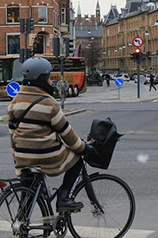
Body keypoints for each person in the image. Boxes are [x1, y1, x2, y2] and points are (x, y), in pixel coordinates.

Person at [7, 57, 95, 213]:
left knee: (26, 194)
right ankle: (64, 197)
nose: (50, 80)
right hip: (46, 156)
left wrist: (17, 160)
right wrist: (83, 148)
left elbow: (12, 134)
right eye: (48, 76)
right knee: (77, 161)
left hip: (22, 156)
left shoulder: (15, 102)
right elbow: (67, 134)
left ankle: (23, 226)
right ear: (41, 78)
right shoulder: (49, 103)